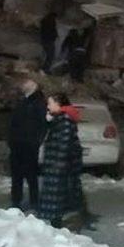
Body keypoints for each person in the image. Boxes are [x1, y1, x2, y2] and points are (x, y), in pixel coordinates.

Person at [38, 93, 85, 228]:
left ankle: (57, 223)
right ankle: (57, 221)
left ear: (58, 104)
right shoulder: (59, 119)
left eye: (50, 103)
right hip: (57, 165)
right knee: (60, 197)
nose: (48, 106)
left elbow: (64, 144)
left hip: (59, 166)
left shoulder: (64, 120)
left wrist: (58, 165)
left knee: (58, 197)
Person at [7, 79, 47, 211]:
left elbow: (42, 124)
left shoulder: (38, 102)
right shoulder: (23, 101)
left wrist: (36, 141)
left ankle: (33, 201)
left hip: (29, 144)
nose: (22, 86)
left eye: (26, 84)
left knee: (30, 175)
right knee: (17, 175)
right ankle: (16, 200)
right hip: (18, 143)